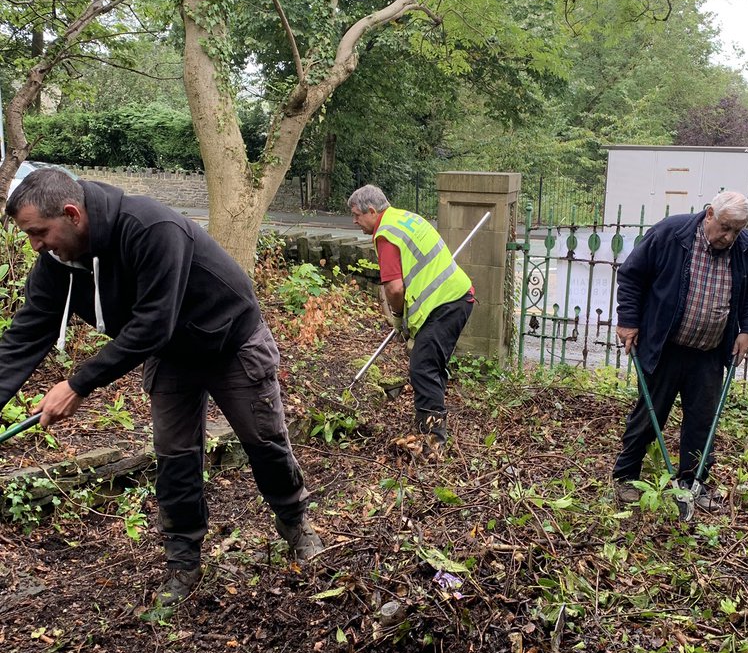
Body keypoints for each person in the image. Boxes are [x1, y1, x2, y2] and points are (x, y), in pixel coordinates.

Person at [1, 168, 322, 607]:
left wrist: (77, 384)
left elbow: (153, 323)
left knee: (263, 441)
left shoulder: (150, 228)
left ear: (72, 214)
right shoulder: (58, 263)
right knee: (174, 457)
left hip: (231, 340)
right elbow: (24, 337)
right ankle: (183, 563)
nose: (36, 245)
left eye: (39, 233)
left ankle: (297, 526)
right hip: (172, 353)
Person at [612, 191, 748, 509]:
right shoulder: (671, 233)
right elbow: (631, 276)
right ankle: (626, 478)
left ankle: (693, 483)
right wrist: (627, 321)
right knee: (649, 414)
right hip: (665, 346)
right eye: (725, 227)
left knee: (701, 422)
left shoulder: (747, 248)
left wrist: (747, 330)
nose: (729, 236)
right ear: (709, 214)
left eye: (737, 230)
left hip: (709, 352)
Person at [347, 185, 474, 455]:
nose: (354, 220)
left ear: (372, 211)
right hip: (455, 298)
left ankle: (433, 442)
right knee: (430, 364)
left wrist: (397, 317)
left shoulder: (386, 234)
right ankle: (431, 425)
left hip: (445, 303)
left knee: (422, 368)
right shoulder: (404, 218)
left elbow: (394, 289)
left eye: (357, 215)